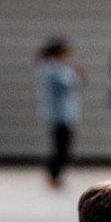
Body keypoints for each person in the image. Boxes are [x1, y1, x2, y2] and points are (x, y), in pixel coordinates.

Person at [37, 39, 81, 190]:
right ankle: (53, 175)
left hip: (64, 114)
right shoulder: (53, 68)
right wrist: (74, 70)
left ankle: (56, 175)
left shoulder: (54, 68)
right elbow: (69, 83)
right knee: (61, 147)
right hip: (59, 115)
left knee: (62, 147)